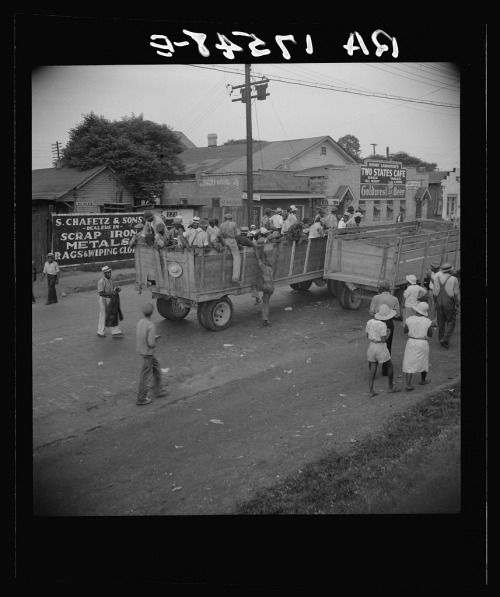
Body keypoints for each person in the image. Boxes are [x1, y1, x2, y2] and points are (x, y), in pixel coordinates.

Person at [365, 304, 401, 396]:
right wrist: (388, 333)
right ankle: (390, 387)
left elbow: (367, 335)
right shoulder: (383, 325)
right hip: (380, 347)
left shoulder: (370, 322)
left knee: (373, 367)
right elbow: (383, 339)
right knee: (389, 366)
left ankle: (370, 390)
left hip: (371, 345)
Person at [136, 302, 167, 405]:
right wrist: (154, 342)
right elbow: (150, 343)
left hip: (142, 350)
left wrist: (153, 337)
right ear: (152, 313)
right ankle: (141, 398)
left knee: (157, 368)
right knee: (145, 375)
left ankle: (158, 390)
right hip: (148, 353)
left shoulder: (141, 322)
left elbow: (143, 336)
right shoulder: (151, 325)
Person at [369, 280, 401, 376]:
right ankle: (385, 371)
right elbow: (398, 315)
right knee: (387, 346)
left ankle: (373, 370)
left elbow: (371, 312)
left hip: (377, 323)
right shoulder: (394, 299)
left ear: (380, 289)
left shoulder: (375, 298)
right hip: (389, 324)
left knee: (375, 344)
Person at [402, 301, 433, 390]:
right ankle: (423, 380)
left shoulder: (410, 319)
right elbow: (430, 334)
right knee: (424, 360)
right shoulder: (428, 321)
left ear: (416, 311)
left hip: (411, 342)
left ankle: (408, 384)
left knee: (409, 362)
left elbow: (405, 331)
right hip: (422, 343)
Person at [432, 262, 460, 349]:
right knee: (451, 321)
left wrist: (436, 303)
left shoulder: (437, 279)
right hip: (449, 302)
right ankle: (445, 339)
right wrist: (457, 304)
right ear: (450, 270)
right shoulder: (454, 279)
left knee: (441, 323)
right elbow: (456, 293)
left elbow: (434, 293)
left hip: (439, 301)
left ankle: (441, 339)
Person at [251, 246, 275, 327]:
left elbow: (258, 258)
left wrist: (255, 249)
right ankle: (266, 321)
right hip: (271, 288)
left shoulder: (263, 267)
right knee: (266, 304)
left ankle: (257, 298)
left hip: (265, 286)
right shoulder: (270, 268)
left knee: (253, 285)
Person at [97, 265, 124, 338]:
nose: (109, 274)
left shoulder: (111, 280)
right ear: (104, 273)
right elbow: (101, 293)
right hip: (103, 299)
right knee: (103, 315)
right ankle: (100, 332)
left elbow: (113, 288)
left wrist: (117, 290)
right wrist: (111, 293)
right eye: (107, 273)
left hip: (110, 299)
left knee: (113, 314)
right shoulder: (101, 281)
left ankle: (115, 331)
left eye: (110, 272)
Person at [218, 213, 241, 284]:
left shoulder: (221, 225)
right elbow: (236, 235)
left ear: (225, 219)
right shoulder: (234, 224)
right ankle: (235, 278)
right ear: (231, 219)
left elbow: (219, 235)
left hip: (225, 241)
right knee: (237, 258)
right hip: (232, 241)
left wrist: (224, 243)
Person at [423, 262, 441, 327]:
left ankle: (435, 321)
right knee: (430, 306)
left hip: (435, 291)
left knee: (435, 306)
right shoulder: (433, 272)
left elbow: (436, 283)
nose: (431, 268)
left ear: (436, 268)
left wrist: (429, 276)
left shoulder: (440, 274)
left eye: (432, 267)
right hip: (430, 290)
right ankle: (431, 320)